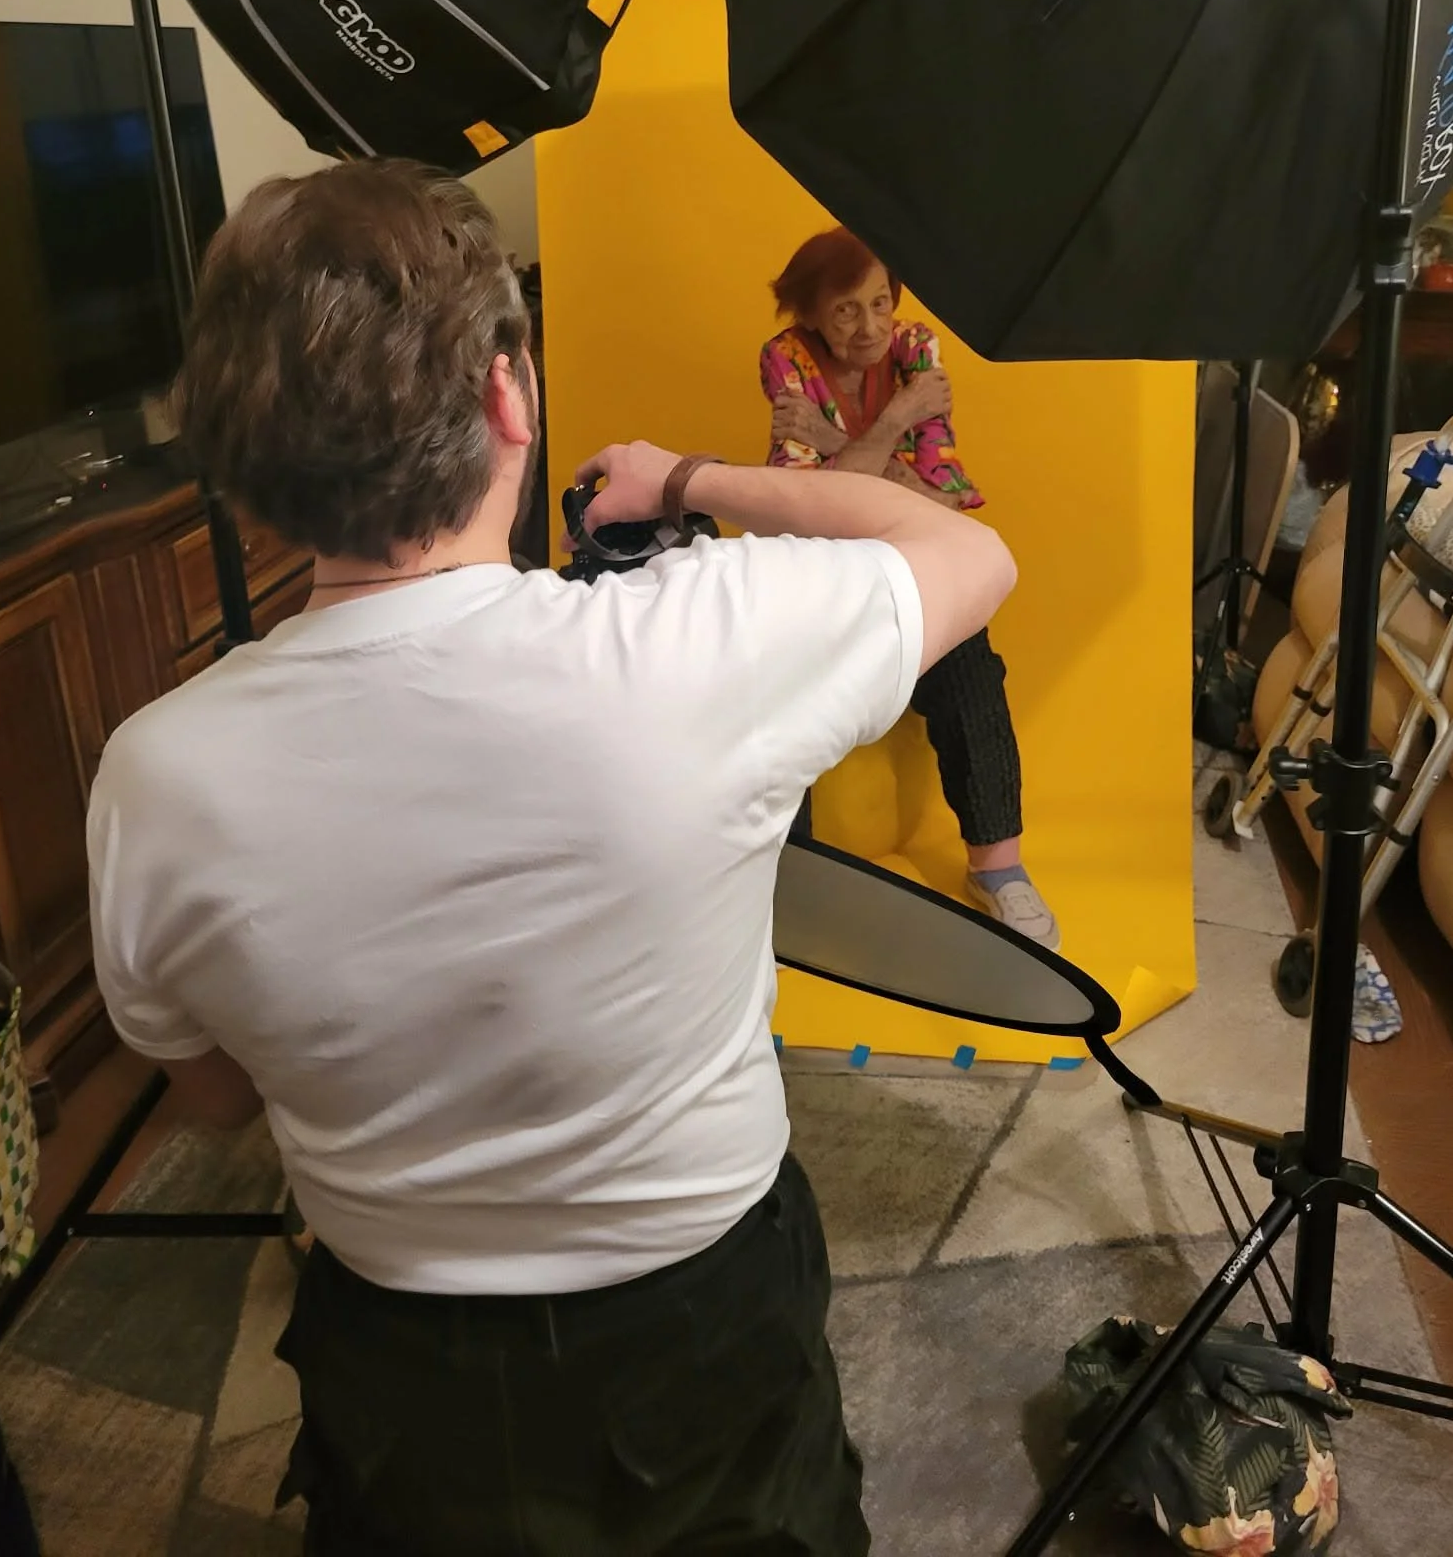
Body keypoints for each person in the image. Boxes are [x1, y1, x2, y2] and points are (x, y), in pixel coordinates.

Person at [86, 158, 1016, 1557]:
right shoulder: (698, 643)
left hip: (397, 1361)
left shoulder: (150, 775)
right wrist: (690, 477)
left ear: (238, 463)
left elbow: (214, 1102)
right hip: (705, 1320)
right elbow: (967, 556)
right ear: (509, 398)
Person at [760, 226, 1059, 949]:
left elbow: (942, 503)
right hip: (822, 566)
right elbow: (807, 502)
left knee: (972, 672)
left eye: (879, 304)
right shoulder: (784, 360)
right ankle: (787, 877)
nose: (868, 328)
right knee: (779, 682)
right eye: (845, 311)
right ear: (807, 316)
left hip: (915, 563)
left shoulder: (918, 350)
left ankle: (998, 869)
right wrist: (898, 419)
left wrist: (837, 449)